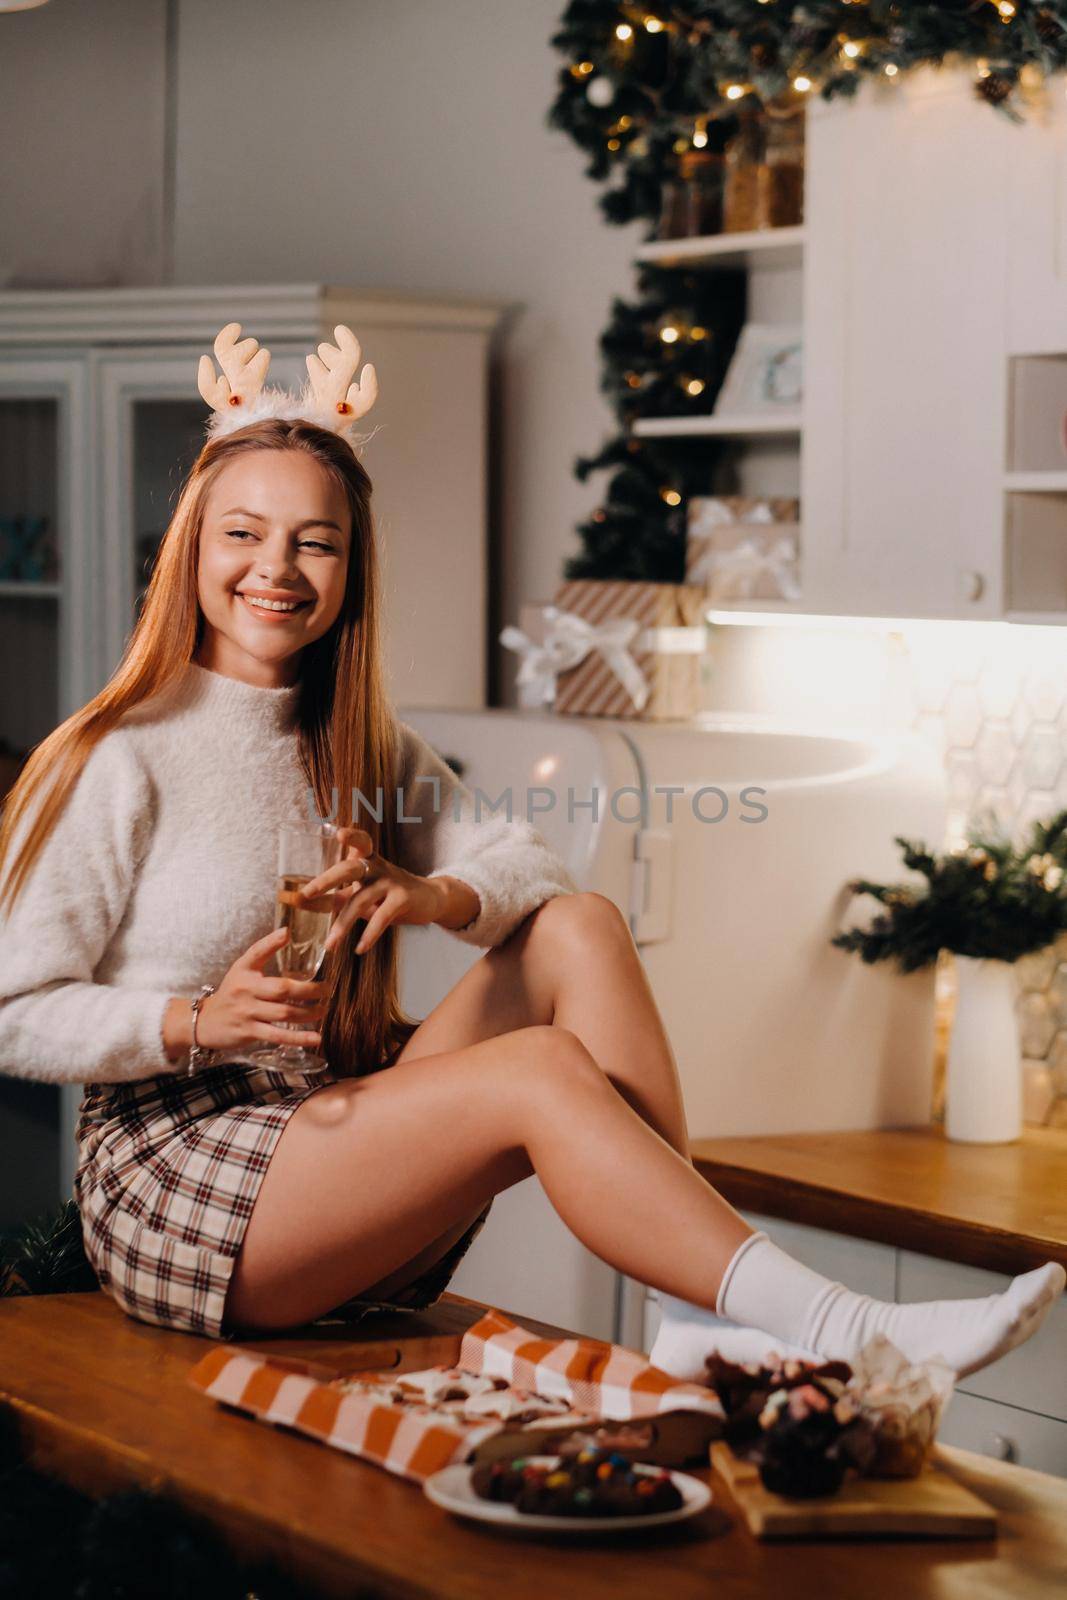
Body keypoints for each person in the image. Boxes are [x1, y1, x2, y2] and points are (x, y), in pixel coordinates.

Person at [0, 325, 1062, 1378]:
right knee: (542, 1069)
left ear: (349, 568)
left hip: (324, 1134)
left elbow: (535, 870)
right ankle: (836, 1327)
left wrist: (432, 893)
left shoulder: (367, 749)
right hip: (177, 1185)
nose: (276, 568)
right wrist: (194, 1021)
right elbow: (16, 1010)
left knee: (578, 926)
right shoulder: (115, 754)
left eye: (313, 542)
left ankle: (697, 1313)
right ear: (192, 546)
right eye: (242, 533)